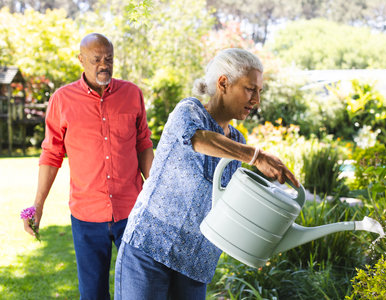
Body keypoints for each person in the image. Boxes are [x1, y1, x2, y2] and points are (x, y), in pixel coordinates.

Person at [114, 48, 299, 299]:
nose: (256, 100)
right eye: (249, 89)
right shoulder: (189, 111)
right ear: (223, 83)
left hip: (196, 262)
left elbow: (228, 204)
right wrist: (256, 156)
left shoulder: (238, 140)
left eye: (259, 91)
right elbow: (198, 138)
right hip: (150, 248)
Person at [22, 33, 154, 300]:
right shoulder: (62, 100)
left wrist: (155, 195)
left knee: (142, 291)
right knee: (92, 295)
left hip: (133, 211)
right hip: (86, 216)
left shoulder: (132, 94)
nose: (103, 64)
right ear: (81, 60)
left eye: (109, 59)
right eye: (96, 59)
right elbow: (51, 153)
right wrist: (38, 203)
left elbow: (143, 144)